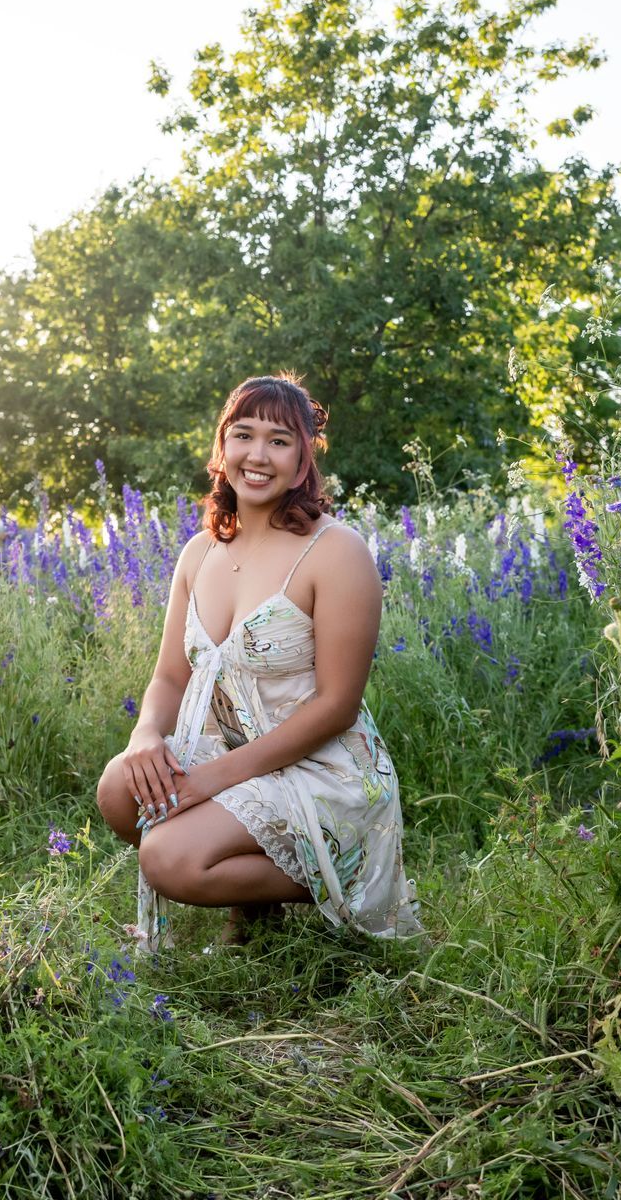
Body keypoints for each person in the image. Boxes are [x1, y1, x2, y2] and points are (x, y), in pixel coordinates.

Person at [95, 374, 423, 951]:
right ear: (222, 448)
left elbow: (337, 706)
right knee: (121, 789)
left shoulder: (336, 551)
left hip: (322, 772)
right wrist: (147, 735)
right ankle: (255, 907)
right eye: (243, 435)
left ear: (303, 461)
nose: (258, 455)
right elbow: (172, 675)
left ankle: (347, 875)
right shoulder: (199, 553)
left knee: (167, 857)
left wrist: (205, 782)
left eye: (279, 440)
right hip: (234, 752)